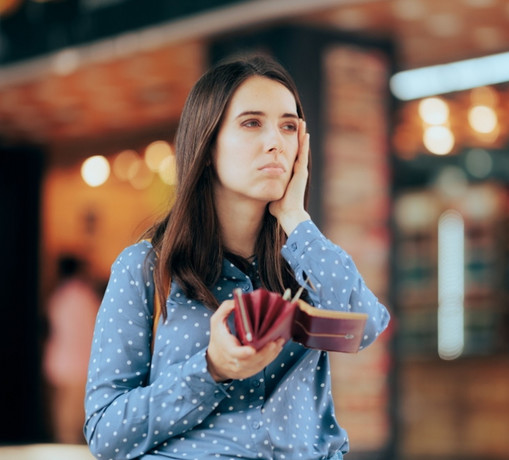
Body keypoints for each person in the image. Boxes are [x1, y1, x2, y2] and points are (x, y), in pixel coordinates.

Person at [84, 54, 390, 460]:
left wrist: (296, 218)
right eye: (251, 123)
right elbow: (105, 433)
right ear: (207, 146)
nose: (275, 142)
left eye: (289, 126)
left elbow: (364, 328)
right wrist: (211, 369)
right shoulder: (146, 269)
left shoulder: (304, 265)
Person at [43, 254, 99, 444]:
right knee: (74, 412)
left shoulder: (58, 295)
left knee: (62, 408)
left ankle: (64, 443)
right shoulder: (82, 295)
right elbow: (93, 329)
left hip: (62, 359)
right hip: (78, 360)